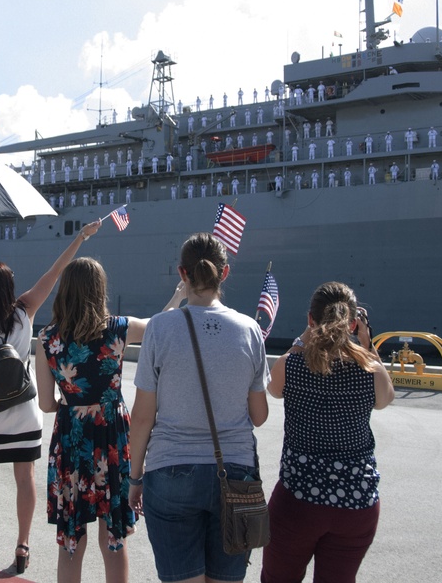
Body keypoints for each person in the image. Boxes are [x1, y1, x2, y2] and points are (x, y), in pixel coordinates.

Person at [0, 221, 103, 579]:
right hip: (26, 414)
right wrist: (80, 237)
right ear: (10, 287)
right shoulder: (25, 310)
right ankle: (22, 545)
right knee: (25, 478)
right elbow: (55, 272)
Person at [129, 233, 269, 583]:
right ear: (225, 274)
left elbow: (143, 417)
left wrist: (134, 479)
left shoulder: (160, 328)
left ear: (182, 273)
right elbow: (259, 416)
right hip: (235, 474)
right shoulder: (250, 330)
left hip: (171, 470)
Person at [35, 259, 184, 582]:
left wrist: (72, 400)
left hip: (72, 440)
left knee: (71, 542)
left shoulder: (46, 339)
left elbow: (46, 404)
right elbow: (159, 325)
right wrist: (178, 297)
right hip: (112, 438)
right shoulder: (118, 329)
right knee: (113, 538)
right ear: (99, 290)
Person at [260, 282, 394, 583]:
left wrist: (301, 339)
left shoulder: (293, 364)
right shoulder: (369, 369)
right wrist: (367, 345)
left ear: (311, 319)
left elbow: (273, 389)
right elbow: (386, 399)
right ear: (354, 322)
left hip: (299, 499)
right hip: (357, 502)